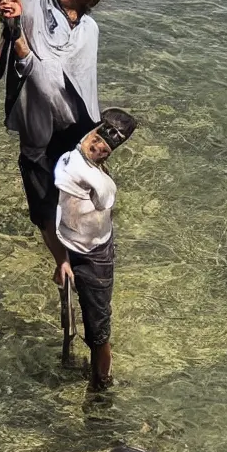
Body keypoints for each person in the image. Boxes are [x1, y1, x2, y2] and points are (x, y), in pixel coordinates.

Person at [0, 0, 113, 266]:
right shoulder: (31, 0)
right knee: (44, 199)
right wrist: (9, 19)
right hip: (38, 122)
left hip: (77, 127)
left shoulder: (90, 30)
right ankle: (62, 264)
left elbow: (80, 81)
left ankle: (86, 245)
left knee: (81, 196)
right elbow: (15, 16)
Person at [53, 108, 137, 390]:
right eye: (99, 137)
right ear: (93, 129)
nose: (99, 147)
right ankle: (74, 362)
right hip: (70, 243)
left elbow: (102, 200)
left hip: (95, 256)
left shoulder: (102, 183)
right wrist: (61, 258)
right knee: (68, 313)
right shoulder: (72, 154)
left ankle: (102, 385)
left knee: (98, 331)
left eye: (107, 149)